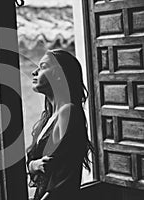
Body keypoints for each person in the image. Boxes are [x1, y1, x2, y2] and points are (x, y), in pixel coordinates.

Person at [26, 49, 94, 200]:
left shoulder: (69, 113)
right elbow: (35, 162)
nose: (34, 72)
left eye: (43, 67)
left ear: (58, 75)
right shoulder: (49, 117)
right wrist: (33, 165)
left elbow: (62, 177)